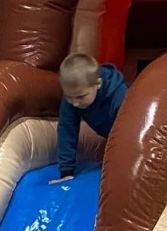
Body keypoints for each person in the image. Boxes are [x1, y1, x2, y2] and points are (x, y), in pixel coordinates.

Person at [50, 52, 128, 184]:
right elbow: (67, 130)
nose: (75, 103)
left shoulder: (120, 95)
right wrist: (66, 171)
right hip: (110, 134)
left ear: (98, 84)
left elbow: (127, 135)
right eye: (68, 96)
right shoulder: (72, 99)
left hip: (131, 132)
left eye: (81, 97)